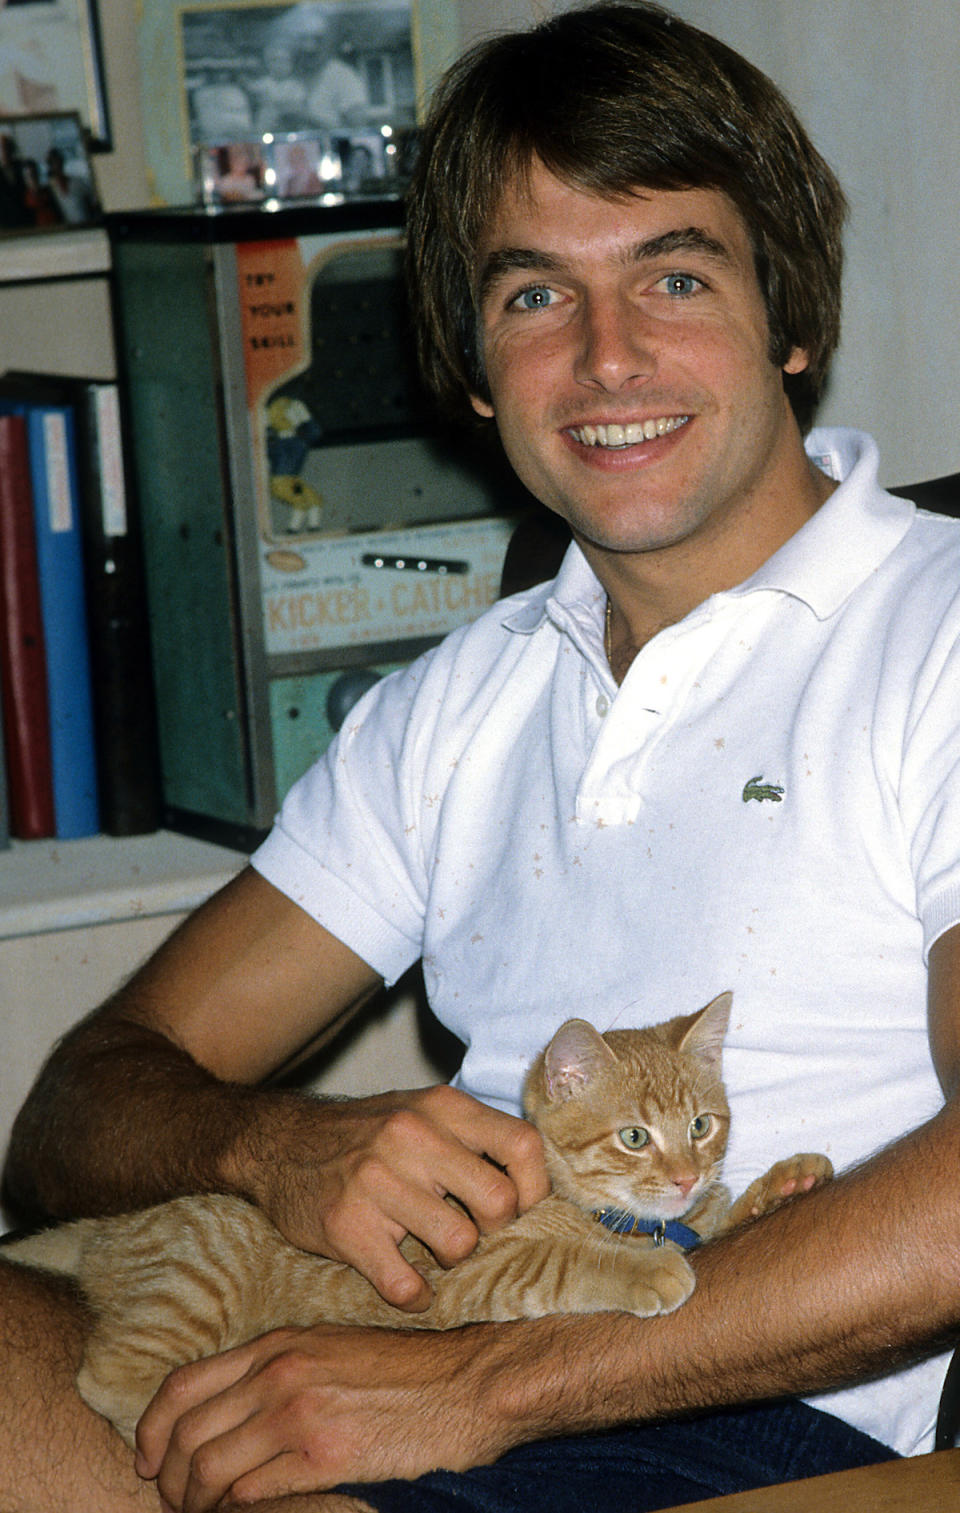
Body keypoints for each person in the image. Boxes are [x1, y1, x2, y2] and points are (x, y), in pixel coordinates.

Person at [3, 4, 960, 1510]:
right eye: (533, 296)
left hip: (758, 1400)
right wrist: (281, 1150)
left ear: (794, 317)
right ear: (469, 365)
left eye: (676, 272)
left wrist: (477, 1387)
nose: (607, 356)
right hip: (424, 1333)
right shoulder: (459, 702)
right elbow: (74, 1110)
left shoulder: (941, 632)